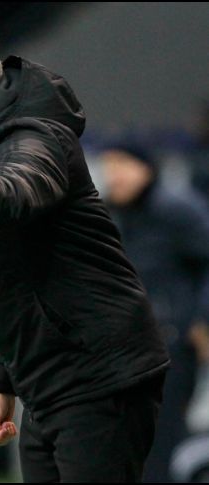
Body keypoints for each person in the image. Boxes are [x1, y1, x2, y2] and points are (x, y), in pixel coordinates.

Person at [0, 20, 169, 482]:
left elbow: (20, 187)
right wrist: (0, 383)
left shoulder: (34, 134)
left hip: (98, 374)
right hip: (50, 384)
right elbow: (11, 283)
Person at [100, 145, 209, 482]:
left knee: (159, 440)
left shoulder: (175, 209)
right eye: (109, 165)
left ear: (145, 168)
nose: (115, 174)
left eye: (122, 163)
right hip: (119, 345)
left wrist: (201, 320)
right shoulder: (109, 213)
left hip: (169, 343)